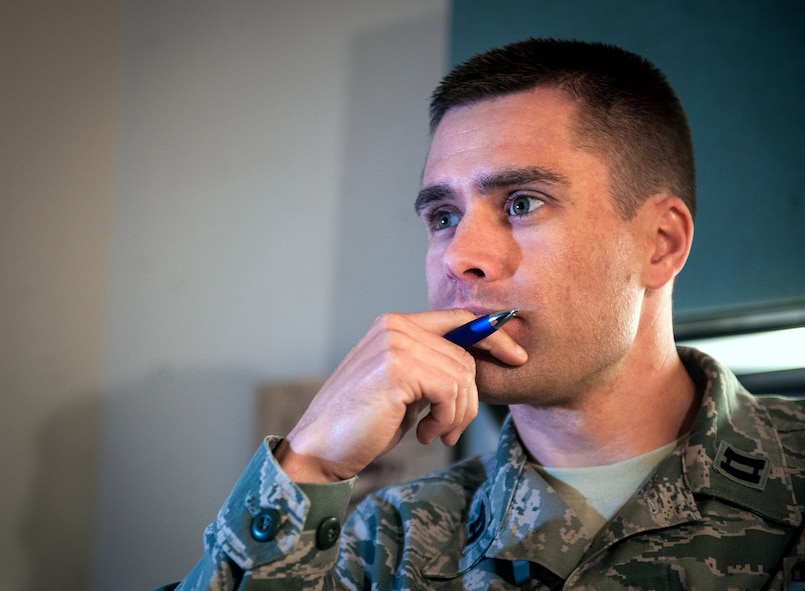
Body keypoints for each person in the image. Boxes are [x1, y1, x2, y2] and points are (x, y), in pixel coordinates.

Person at [160, 38, 805, 590]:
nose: (459, 257)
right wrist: (308, 467)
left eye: (522, 203)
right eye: (444, 217)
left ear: (660, 244)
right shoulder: (390, 542)